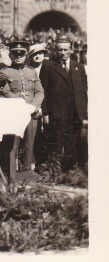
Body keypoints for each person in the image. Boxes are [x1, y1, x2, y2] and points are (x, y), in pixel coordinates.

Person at [39, 38, 88, 172]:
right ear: (56, 50)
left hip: (75, 113)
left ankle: (70, 171)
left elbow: (83, 92)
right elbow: (43, 91)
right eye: (60, 50)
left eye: (66, 49)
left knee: (73, 144)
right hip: (57, 112)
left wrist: (84, 114)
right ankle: (55, 171)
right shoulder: (49, 66)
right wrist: (45, 113)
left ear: (71, 50)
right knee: (57, 143)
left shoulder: (79, 67)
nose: (63, 52)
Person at [0, 41, 44, 173]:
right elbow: (5, 91)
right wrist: (18, 102)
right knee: (11, 144)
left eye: (21, 54)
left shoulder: (32, 72)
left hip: (30, 113)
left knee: (28, 144)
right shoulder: (4, 72)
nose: (18, 56)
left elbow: (39, 92)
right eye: (15, 54)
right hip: (13, 113)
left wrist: (34, 107)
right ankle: (9, 173)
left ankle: (26, 172)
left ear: (26, 55)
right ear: (10, 55)